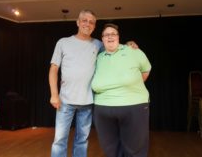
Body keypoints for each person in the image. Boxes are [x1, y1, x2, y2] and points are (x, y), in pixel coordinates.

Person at [49, 10, 138, 157]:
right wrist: (54, 95)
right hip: (64, 101)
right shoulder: (63, 42)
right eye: (84, 20)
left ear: (94, 26)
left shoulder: (98, 44)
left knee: (82, 140)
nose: (87, 24)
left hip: (88, 102)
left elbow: (113, 47)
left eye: (91, 22)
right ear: (78, 22)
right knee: (59, 140)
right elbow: (53, 70)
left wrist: (128, 44)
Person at [91, 23, 152, 157]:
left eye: (113, 34)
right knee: (110, 150)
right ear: (102, 39)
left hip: (134, 106)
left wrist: (129, 87)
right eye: (106, 35)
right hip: (103, 109)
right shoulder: (98, 57)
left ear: (119, 37)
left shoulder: (133, 51)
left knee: (135, 149)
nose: (110, 37)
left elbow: (146, 71)